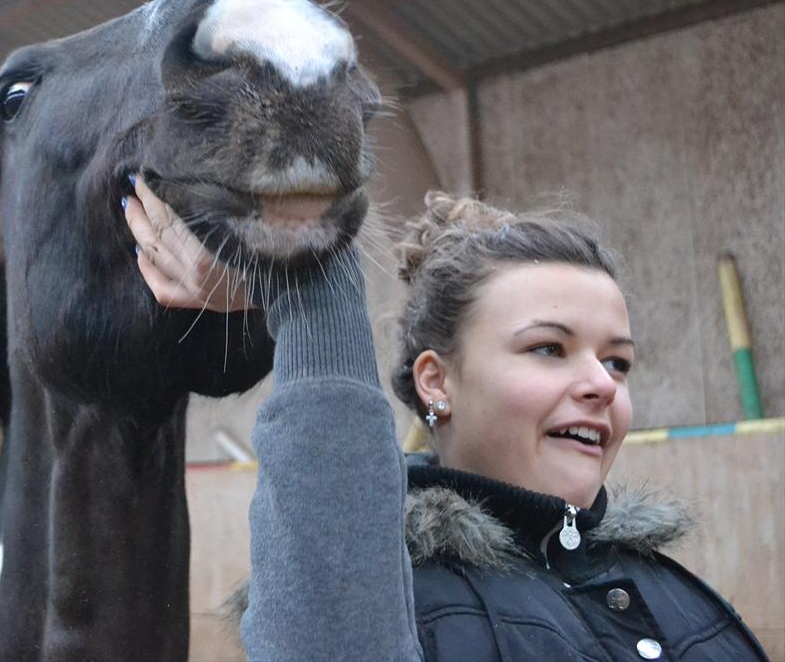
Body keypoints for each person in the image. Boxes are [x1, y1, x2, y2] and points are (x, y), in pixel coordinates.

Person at [124, 181, 768, 662]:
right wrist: (309, 281)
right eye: (549, 348)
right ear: (437, 381)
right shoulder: (392, 605)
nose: (602, 383)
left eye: (617, 361)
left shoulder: (677, 590)